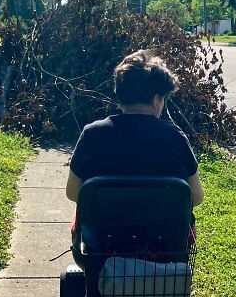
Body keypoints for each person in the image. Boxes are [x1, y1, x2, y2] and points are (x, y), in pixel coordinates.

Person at [66, 50, 204, 209]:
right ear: (156, 100)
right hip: (161, 225)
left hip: (105, 225)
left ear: (120, 94)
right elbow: (196, 197)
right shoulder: (175, 136)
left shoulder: (92, 134)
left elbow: (73, 192)